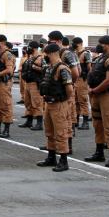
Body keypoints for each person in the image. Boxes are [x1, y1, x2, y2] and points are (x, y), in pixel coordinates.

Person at [36, 43, 75, 172]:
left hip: (59, 104)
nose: (44, 56)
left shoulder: (62, 68)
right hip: (49, 103)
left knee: (61, 132)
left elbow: (69, 89)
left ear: (52, 53)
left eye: (45, 54)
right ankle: (51, 157)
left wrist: (63, 100)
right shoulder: (49, 68)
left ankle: (63, 160)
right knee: (50, 131)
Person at [85, 35, 109, 167]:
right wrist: (91, 88)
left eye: (103, 44)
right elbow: (92, 75)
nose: (101, 46)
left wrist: (95, 90)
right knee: (97, 125)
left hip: (107, 95)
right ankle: (99, 152)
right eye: (100, 44)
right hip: (96, 95)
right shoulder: (99, 58)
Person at [19, 42, 46, 132]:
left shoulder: (41, 57)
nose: (28, 49)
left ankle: (39, 123)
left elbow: (46, 69)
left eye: (29, 47)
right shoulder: (30, 57)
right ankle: (29, 121)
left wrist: (36, 67)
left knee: (37, 103)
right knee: (28, 102)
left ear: (34, 48)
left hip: (35, 83)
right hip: (28, 82)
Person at [73, 37, 92, 130]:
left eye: (75, 43)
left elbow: (89, 69)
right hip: (75, 79)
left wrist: (88, 81)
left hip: (82, 80)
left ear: (80, 43)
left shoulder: (86, 54)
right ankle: (75, 120)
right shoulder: (74, 53)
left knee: (83, 101)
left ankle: (85, 122)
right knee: (75, 100)